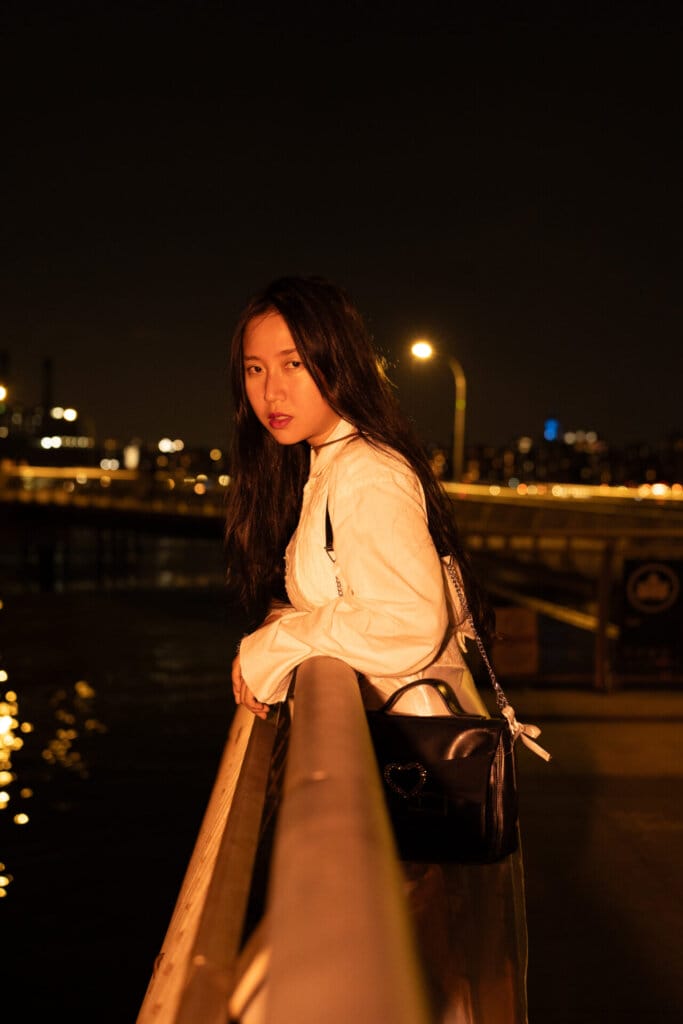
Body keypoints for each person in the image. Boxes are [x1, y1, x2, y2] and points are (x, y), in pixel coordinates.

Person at [225, 274, 529, 1021]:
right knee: (428, 964)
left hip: (413, 753)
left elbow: (404, 621)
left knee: (412, 966)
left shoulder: (363, 472)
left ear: (339, 359)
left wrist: (273, 645)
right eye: (256, 368)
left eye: (294, 362)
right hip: (409, 747)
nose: (272, 389)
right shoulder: (331, 463)